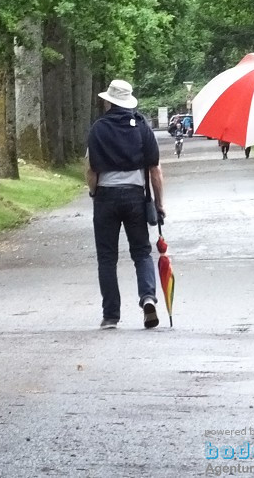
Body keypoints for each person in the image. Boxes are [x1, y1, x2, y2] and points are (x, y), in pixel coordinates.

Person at [85, 79, 164, 330]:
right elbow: (155, 170)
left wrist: (93, 192)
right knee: (141, 251)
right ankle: (148, 297)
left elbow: (90, 170)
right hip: (135, 196)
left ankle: (111, 315)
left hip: (106, 196)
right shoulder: (141, 127)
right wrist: (159, 204)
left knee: (107, 257)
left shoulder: (98, 128)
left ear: (109, 101)